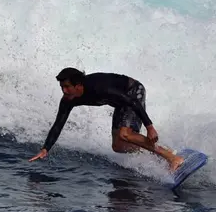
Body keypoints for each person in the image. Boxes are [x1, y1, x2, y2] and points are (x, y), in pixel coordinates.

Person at [28, 68, 184, 171]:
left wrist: (150, 126)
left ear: (78, 85)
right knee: (118, 146)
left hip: (132, 92)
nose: (64, 90)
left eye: (67, 86)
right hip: (120, 104)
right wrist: (45, 148)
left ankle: (173, 158)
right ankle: (161, 152)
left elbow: (132, 102)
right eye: (62, 87)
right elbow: (58, 124)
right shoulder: (69, 99)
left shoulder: (99, 87)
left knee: (125, 134)